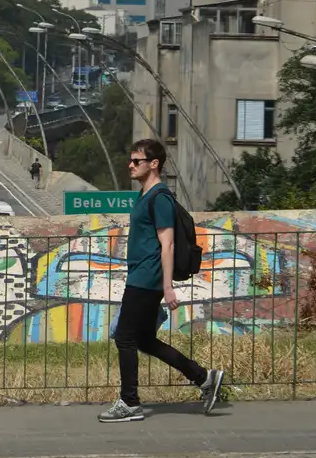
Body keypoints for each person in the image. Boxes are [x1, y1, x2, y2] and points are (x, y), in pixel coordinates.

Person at [98, 139, 224, 423]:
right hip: (140, 274)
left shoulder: (160, 198)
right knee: (144, 340)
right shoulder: (144, 195)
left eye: (137, 161)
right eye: (130, 160)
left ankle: (129, 402)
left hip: (148, 277)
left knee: (125, 337)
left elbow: (167, 245)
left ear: (154, 164)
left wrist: (168, 287)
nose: (130, 165)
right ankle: (204, 378)